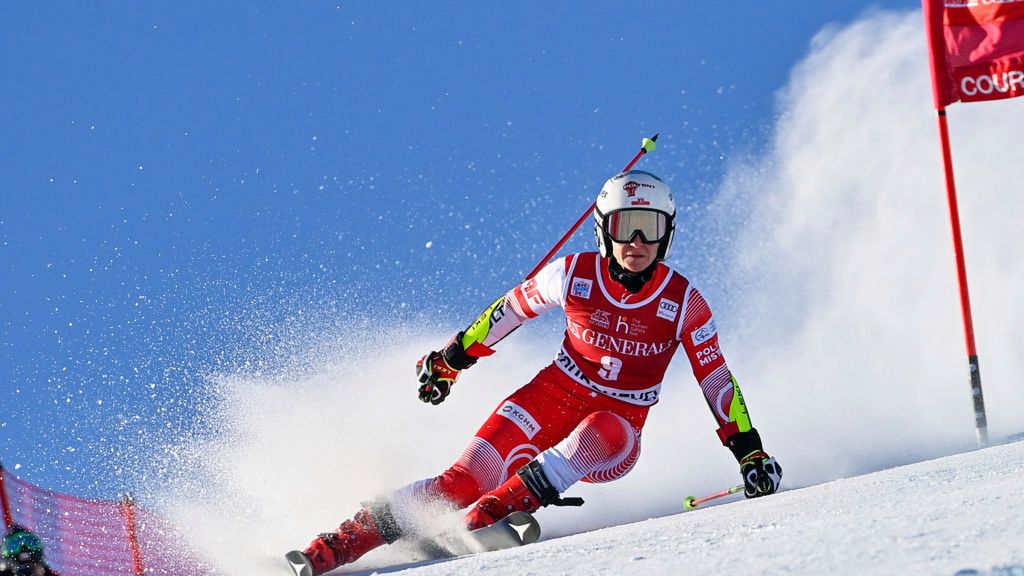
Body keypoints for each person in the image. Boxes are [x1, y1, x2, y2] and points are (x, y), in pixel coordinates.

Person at [286, 170, 783, 575]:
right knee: (462, 479)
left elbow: (716, 380)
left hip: (616, 429)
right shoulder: (571, 274)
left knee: (604, 431)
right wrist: (452, 360)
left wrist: (750, 451)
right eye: (624, 225)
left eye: (650, 227)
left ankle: (490, 516)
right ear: (603, 230)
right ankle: (335, 545)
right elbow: (509, 311)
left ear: (667, 234)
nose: (636, 241)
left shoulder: (684, 303)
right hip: (551, 395)